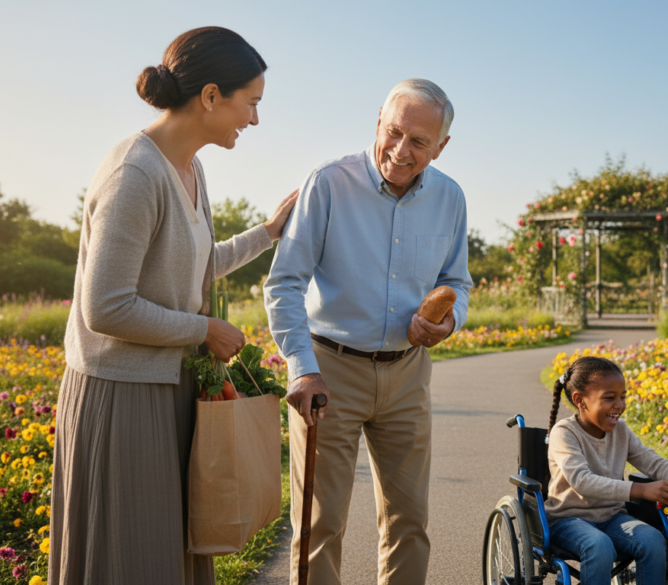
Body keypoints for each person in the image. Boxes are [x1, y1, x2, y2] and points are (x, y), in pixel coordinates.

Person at [50, 27, 298, 585]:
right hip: (124, 396)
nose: (254, 120)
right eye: (250, 104)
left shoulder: (190, 167)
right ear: (210, 96)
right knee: (134, 556)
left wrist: (267, 233)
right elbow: (105, 307)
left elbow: (194, 263)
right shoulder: (134, 172)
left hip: (169, 387)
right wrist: (204, 328)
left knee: (168, 554)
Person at [264, 79, 471, 585]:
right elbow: (284, 283)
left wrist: (449, 320)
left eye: (419, 142)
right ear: (378, 121)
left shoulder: (450, 197)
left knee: (409, 522)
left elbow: (456, 282)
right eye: (394, 131)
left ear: (441, 146)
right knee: (319, 524)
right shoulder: (329, 182)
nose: (401, 150)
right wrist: (302, 369)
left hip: (407, 374)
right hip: (327, 370)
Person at [546, 356, 668, 585]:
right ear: (580, 400)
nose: (619, 405)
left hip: (611, 517)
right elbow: (582, 481)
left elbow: (653, 463)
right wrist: (641, 490)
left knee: (652, 540)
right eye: (610, 398)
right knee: (599, 546)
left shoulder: (620, 431)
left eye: (623, 397)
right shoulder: (564, 433)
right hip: (568, 519)